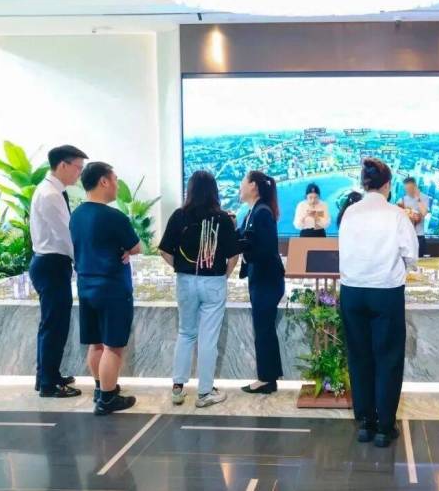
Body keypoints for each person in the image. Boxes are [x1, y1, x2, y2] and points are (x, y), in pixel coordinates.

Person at [339, 158, 418, 448]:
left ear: (364, 184)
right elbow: (411, 255)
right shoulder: (396, 214)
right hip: (385, 292)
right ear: (387, 185)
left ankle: (365, 423)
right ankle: (384, 427)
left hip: (352, 291)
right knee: (388, 357)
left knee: (358, 356)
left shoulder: (350, 212)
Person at [159, 171, 241, 408]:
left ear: (190, 190)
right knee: (208, 338)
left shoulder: (179, 216)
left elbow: (164, 250)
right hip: (213, 281)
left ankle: (177, 388)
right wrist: (223, 276)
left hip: (186, 280)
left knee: (186, 333)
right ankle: (205, 393)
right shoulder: (223, 219)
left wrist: (182, 268)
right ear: (214, 191)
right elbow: (234, 256)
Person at [70, 162, 141, 415]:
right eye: (115, 179)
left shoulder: (77, 215)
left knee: (96, 342)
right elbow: (136, 247)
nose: (117, 185)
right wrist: (125, 250)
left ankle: (101, 389)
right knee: (113, 346)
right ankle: (108, 399)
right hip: (111, 287)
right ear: (103, 181)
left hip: (86, 285)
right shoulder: (113, 216)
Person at [29, 145, 88, 398]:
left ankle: (47, 375)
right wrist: (83, 261)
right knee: (55, 326)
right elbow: (66, 235)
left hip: (48, 263)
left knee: (52, 324)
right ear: (63, 165)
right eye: (78, 168)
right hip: (51, 264)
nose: (79, 174)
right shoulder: (50, 195)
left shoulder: (50, 190)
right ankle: (48, 384)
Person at [238, 170, 286, 394]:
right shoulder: (254, 211)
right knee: (263, 328)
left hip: (267, 280)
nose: (240, 186)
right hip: (262, 279)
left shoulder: (262, 213)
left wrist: (246, 254)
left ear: (253, 186)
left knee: (263, 329)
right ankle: (268, 377)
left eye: (243, 182)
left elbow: (265, 249)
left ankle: (266, 379)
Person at [397, 177, 429, 257]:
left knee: (419, 260)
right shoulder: (403, 199)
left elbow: (424, 213)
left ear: (415, 187)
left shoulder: (424, 197)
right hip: (406, 236)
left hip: (419, 235)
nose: (407, 191)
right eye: (406, 189)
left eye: (409, 189)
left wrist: (418, 199)